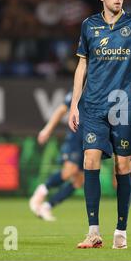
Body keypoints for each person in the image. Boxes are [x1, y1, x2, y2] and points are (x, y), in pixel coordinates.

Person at [68, 0, 131, 249]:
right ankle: (93, 231)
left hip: (125, 106)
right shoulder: (89, 26)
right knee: (90, 159)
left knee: (123, 166)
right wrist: (74, 104)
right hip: (94, 106)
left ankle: (121, 230)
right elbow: (81, 67)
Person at [29, 91, 85, 221]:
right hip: (76, 137)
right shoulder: (81, 88)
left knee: (79, 181)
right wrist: (47, 129)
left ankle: (46, 207)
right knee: (69, 172)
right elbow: (62, 109)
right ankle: (42, 191)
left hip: (90, 138)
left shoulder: (103, 86)